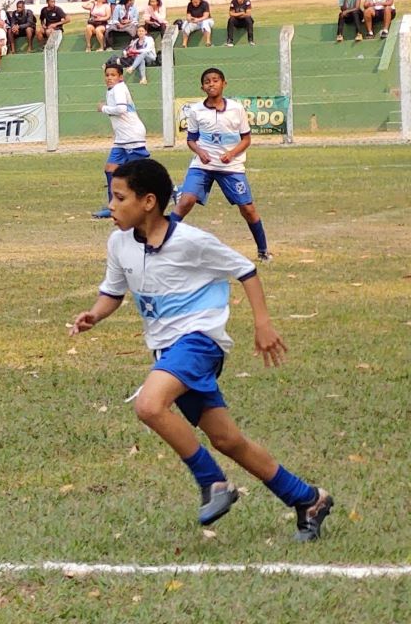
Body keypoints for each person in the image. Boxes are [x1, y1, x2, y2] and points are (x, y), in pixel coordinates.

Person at [69, 157, 334, 542]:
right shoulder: (119, 242)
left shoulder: (191, 241)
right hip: (166, 352)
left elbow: (245, 269)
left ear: (148, 201)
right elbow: (112, 292)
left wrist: (262, 324)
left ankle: (213, 483)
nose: (110, 205)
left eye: (118, 197)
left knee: (148, 404)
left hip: (198, 343)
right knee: (228, 440)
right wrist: (95, 314)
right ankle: (307, 498)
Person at [171, 68, 273, 261]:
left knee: (248, 209)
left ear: (224, 83)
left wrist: (231, 153)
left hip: (230, 167)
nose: (212, 84)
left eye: (216, 80)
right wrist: (200, 153)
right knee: (186, 202)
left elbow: (246, 139)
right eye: (207, 81)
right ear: (202, 87)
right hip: (203, 166)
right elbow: (191, 140)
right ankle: (159, 243)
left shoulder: (236, 109)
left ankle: (262, 250)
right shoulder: (196, 110)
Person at [92, 62, 149, 219]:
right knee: (110, 169)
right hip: (121, 139)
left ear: (120, 77)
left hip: (132, 136)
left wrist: (103, 108)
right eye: (107, 75)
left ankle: (171, 191)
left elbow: (121, 109)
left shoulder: (119, 89)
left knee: (139, 174)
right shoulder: (112, 90)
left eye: (113, 75)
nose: (109, 78)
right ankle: (114, 208)